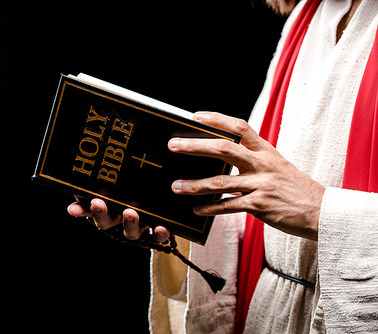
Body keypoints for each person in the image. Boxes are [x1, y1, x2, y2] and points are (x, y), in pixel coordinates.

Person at [68, 0, 378, 332]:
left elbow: (297, 202)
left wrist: (321, 213)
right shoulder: (312, 13)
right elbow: (270, 200)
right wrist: (180, 210)